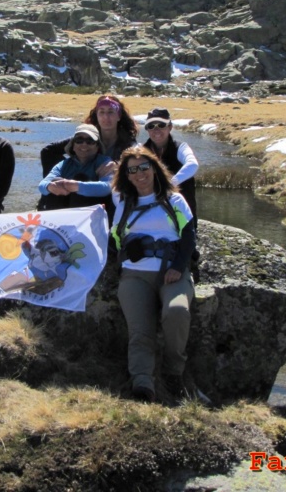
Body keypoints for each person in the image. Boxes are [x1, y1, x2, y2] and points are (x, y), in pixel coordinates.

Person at [111, 146, 197, 402]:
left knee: (177, 311)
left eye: (144, 167)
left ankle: (174, 370)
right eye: (132, 170)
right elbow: (116, 239)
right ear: (126, 176)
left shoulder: (174, 200)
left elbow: (188, 236)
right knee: (140, 331)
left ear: (154, 168)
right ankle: (142, 383)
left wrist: (178, 267)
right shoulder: (124, 204)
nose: (140, 174)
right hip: (134, 275)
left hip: (172, 273)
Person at [40, 94, 138, 176]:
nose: (106, 117)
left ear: (119, 116)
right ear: (97, 115)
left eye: (111, 112)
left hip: (111, 188)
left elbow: (139, 164)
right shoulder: (86, 136)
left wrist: (118, 166)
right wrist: (65, 170)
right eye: (101, 112)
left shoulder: (128, 142)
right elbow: (48, 151)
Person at [37, 123, 114, 212]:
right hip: (64, 211)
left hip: (92, 214)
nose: (84, 144)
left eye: (90, 141)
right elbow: (42, 185)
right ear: (73, 146)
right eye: (79, 140)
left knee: (81, 178)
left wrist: (77, 186)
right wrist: (50, 186)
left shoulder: (105, 163)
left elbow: (107, 187)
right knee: (55, 181)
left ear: (97, 147)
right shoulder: (64, 164)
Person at [142, 107, 199, 219]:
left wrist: (169, 185)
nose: (156, 130)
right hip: (152, 214)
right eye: (151, 126)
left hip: (182, 215)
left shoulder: (181, 147)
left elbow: (193, 164)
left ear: (170, 127)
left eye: (161, 125)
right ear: (147, 130)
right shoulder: (141, 151)